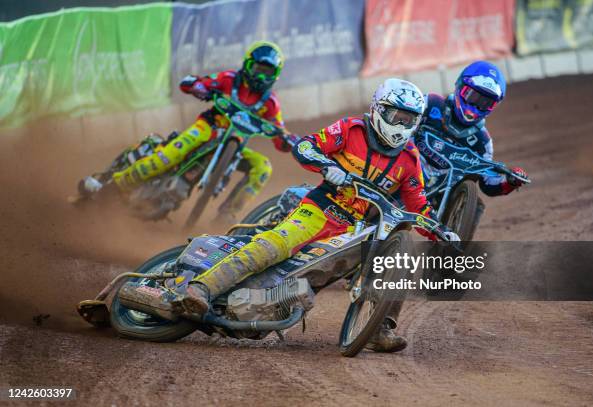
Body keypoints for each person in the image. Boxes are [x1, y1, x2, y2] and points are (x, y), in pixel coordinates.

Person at [173, 79, 459, 352]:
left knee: (395, 259)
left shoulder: (410, 160)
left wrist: (440, 229)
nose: (400, 125)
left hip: (356, 229)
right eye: (396, 116)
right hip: (321, 210)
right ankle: (201, 288)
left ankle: (380, 328)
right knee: (275, 246)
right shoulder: (351, 129)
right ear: (379, 109)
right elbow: (307, 145)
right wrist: (326, 165)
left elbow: (418, 203)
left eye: (408, 120)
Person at [79, 41, 297, 220]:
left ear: (276, 74)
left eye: (267, 72)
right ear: (248, 65)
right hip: (208, 128)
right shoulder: (230, 80)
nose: (261, 77)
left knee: (263, 166)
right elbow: (195, 83)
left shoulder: (270, 104)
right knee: (166, 157)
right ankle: (114, 186)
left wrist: (288, 140)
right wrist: (199, 86)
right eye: (258, 69)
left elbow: (280, 135)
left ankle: (226, 217)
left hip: (235, 146)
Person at [416, 61, 528, 201]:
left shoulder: (483, 141)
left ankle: (446, 219)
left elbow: (487, 183)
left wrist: (511, 181)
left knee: (476, 201)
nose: (475, 105)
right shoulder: (430, 103)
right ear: (460, 86)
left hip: (437, 196)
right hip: (404, 171)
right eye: (472, 96)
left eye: (485, 103)